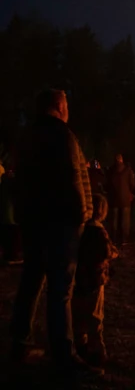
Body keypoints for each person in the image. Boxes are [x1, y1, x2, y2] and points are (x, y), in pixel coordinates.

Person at [10, 89, 96, 373]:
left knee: (31, 281)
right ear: (59, 106)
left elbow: (18, 181)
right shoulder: (63, 135)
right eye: (67, 104)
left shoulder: (27, 137)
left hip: (34, 221)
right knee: (61, 290)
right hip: (62, 222)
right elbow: (74, 178)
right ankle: (63, 353)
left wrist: (23, 216)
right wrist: (83, 215)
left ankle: (19, 343)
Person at [72, 193, 118, 367]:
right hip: (95, 278)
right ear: (103, 211)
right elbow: (105, 252)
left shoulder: (80, 229)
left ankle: (80, 345)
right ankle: (97, 352)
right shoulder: (98, 231)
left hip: (80, 278)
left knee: (79, 313)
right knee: (95, 316)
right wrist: (113, 253)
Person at [107, 154, 135, 244]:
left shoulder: (110, 171)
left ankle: (114, 239)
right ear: (122, 160)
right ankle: (124, 239)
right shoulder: (128, 170)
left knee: (114, 220)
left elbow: (107, 184)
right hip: (125, 199)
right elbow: (132, 184)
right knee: (125, 221)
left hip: (113, 199)